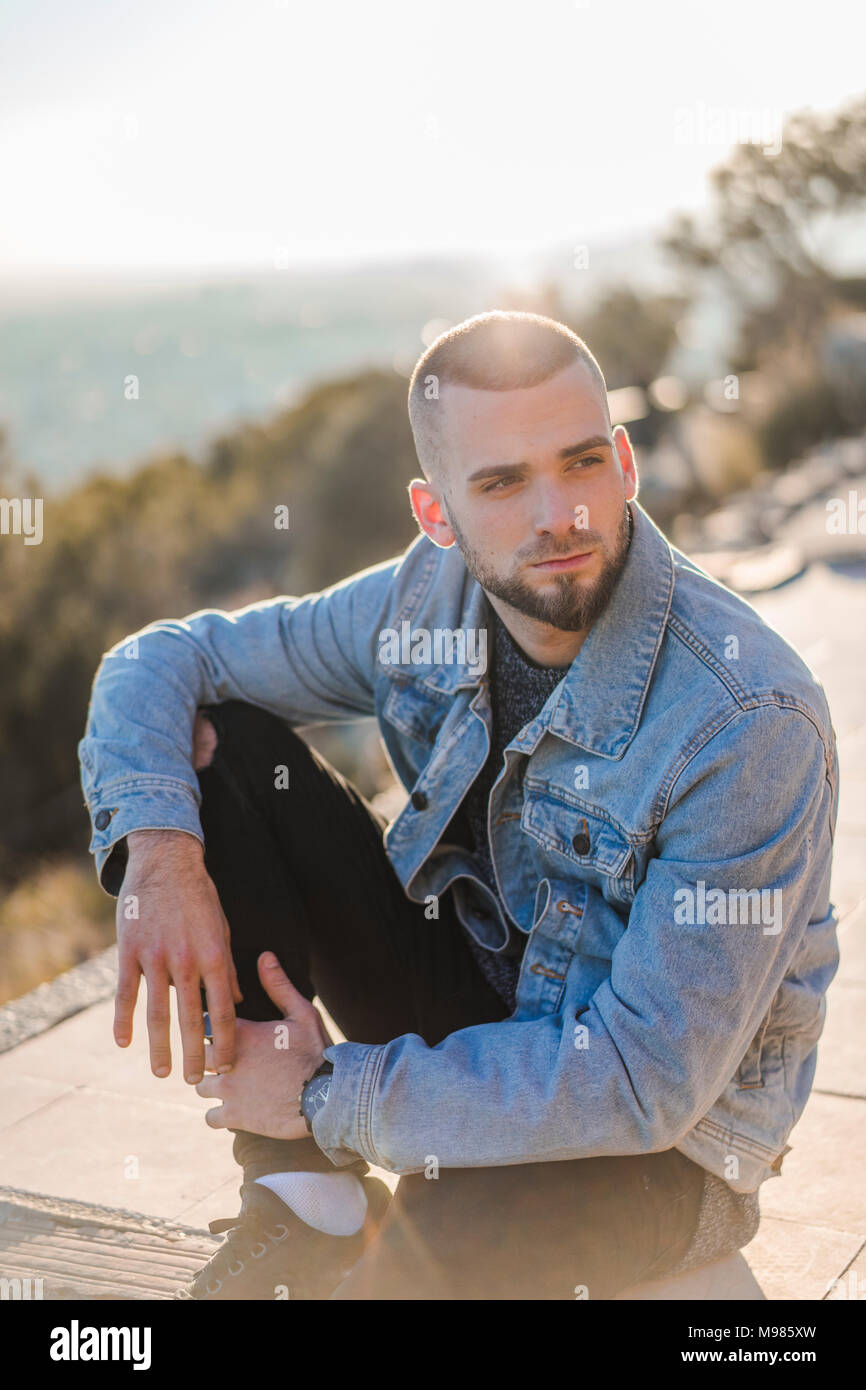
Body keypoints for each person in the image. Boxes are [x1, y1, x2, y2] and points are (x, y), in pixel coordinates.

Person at [78, 311, 839, 1300]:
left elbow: (639, 1081)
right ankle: (307, 1202)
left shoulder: (748, 720)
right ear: (435, 514)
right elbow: (164, 656)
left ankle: (345, 1190)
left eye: (578, 464)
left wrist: (323, 1093)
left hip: (655, 1144)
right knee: (224, 745)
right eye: (500, 482)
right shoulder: (421, 601)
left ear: (624, 463)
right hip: (472, 1003)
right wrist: (160, 853)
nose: (555, 515)